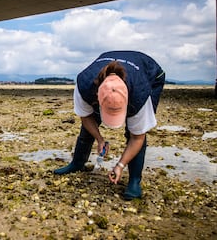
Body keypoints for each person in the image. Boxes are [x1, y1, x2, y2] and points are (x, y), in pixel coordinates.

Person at [54, 50, 165, 200]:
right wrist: (100, 139)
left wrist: (119, 165)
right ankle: (77, 163)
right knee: (91, 122)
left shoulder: (140, 94)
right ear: (97, 98)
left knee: (135, 129)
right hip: (102, 83)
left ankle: (134, 181)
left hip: (152, 75)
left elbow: (137, 137)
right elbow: (86, 116)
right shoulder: (84, 85)